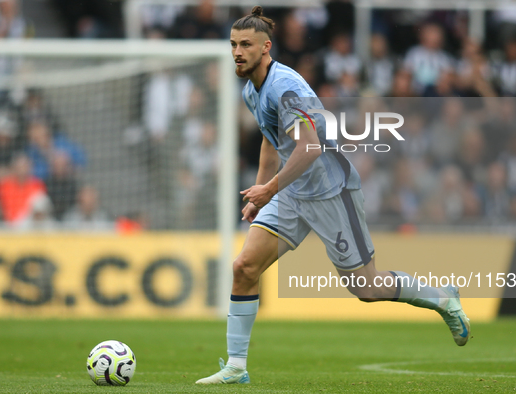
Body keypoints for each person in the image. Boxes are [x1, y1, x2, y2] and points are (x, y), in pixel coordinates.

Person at [196, 6, 470, 385]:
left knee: (367, 287)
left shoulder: (284, 87)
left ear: (266, 47)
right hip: (292, 193)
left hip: (329, 191)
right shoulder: (251, 90)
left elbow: (308, 148)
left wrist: (269, 187)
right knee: (244, 267)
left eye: (246, 44)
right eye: (232, 45)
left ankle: (442, 297)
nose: (237, 52)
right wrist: (258, 194)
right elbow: (270, 139)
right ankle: (236, 367)